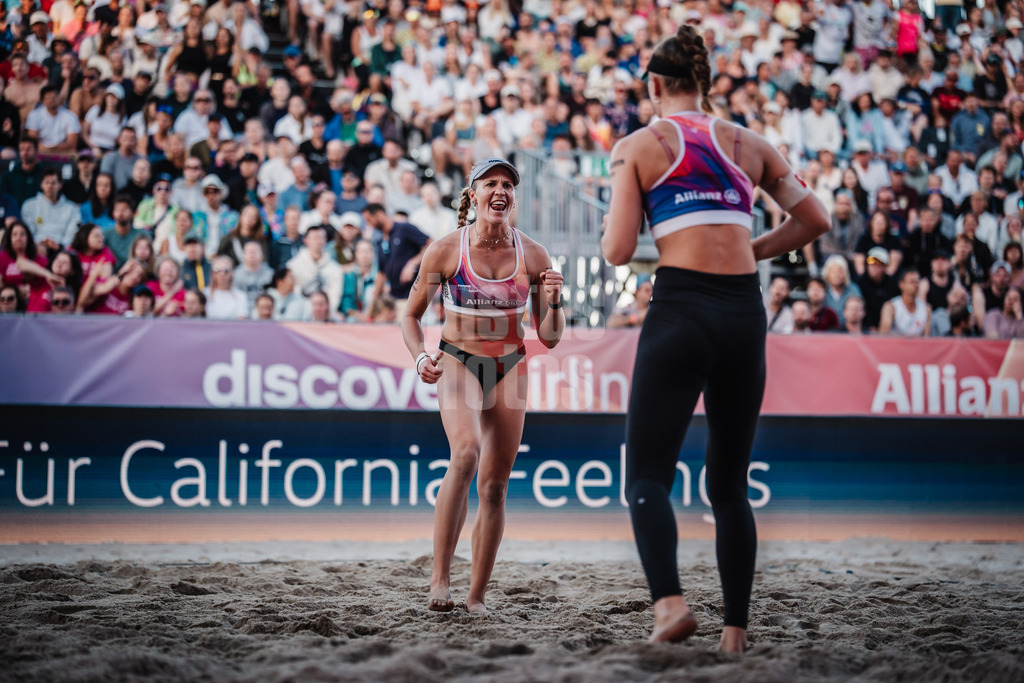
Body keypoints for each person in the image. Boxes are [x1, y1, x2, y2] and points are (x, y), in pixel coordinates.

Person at [600, 26, 829, 652]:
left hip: (681, 309)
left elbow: (619, 250)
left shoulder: (640, 145)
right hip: (742, 313)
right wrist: (749, 251)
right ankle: (734, 634)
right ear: (704, 83)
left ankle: (670, 605)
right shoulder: (750, 143)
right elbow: (815, 219)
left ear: (653, 86)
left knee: (646, 477)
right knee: (728, 486)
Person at [402, 157, 565, 616]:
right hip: (458, 360)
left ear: (514, 197)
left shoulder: (534, 254)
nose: (500, 191)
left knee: (495, 487)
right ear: (471, 195)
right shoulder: (446, 250)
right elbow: (409, 316)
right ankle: (439, 580)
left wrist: (553, 300)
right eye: (490, 183)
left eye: (508, 185)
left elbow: (550, 336)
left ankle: (476, 596)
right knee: (467, 453)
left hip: (511, 364)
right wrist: (419, 357)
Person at [879, 268, 931, 336]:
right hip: (896, 346)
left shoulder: (926, 308)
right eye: (912, 282)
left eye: (917, 282)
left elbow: (927, 338)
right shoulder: (891, 307)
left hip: (918, 346)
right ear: (901, 285)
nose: (916, 285)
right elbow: (883, 336)